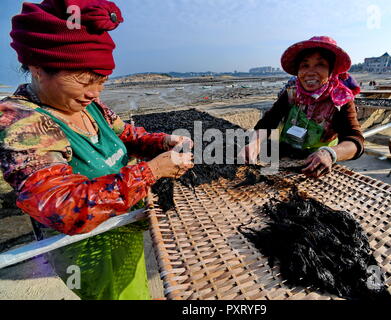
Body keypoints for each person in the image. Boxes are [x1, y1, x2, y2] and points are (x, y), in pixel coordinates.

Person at [0, 0, 194, 300]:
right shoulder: (21, 122)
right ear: (38, 70)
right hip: (87, 253)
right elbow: (64, 207)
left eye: (101, 81)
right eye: (84, 81)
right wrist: (151, 171)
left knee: (137, 287)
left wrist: (161, 142)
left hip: (121, 230)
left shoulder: (92, 108)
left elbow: (127, 135)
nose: (94, 92)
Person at [240, 36, 364, 178]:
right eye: (305, 65)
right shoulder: (291, 93)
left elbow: (355, 141)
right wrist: (255, 143)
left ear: (331, 71)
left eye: (320, 64)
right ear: (298, 71)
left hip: (316, 165)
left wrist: (329, 154)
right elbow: (269, 121)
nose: (310, 72)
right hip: (284, 156)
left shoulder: (341, 100)